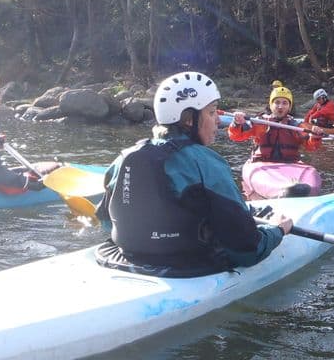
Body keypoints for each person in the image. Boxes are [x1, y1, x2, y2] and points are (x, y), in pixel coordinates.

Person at [94, 71, 293, 277]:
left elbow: (106, 221)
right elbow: (248, 250)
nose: (218, 121)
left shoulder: (124, 158)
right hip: (191, 265)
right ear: (189, 119)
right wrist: (278, 231)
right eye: (212, 112)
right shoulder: (206, 163)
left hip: (124, 257)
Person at [229, 86, 324, 162]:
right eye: (277, 102)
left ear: (289, 107)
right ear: (270, 105)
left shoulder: (297, 126)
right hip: (262, 163)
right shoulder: (260, 123)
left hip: (290, 165)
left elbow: (312, 147)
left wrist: (315, 137)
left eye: (285, 103)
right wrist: (237, 124)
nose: (280, 106)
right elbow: (236, 137)